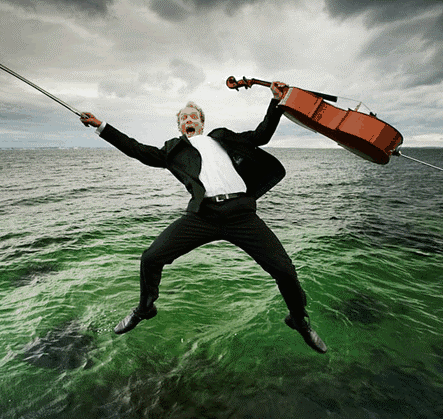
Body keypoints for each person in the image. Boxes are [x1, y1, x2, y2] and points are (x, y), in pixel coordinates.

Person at [80, 82, 327, 354]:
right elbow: (135, 148)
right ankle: (145, 308)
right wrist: (101, 127)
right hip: (203, 215)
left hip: (241, 215)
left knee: (284, 270)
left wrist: (276, 101)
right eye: (184, 118)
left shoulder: (222, 138)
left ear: (201, 123)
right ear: (179, 127)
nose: (189, 120)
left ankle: (299, 320)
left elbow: (262, 134)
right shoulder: (173, 151)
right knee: (150, 258)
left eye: (193, 117)